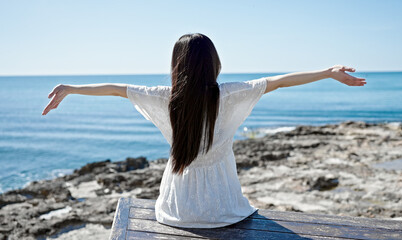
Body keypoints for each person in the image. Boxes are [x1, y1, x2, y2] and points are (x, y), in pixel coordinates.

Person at [42, 33, 366, 228]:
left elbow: (115, 89)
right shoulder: (230, 94)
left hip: (176, 209)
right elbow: (281, 81)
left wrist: (70, 88)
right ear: (214, 62)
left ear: (176, 65)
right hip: (224, 208)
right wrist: (327, 72)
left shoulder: (164, 98)